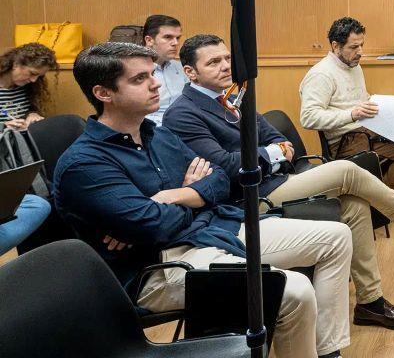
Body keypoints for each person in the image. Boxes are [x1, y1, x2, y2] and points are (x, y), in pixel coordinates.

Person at [52, 42, 353, 358]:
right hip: (159, 266)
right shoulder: (84, 163)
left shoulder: (158, 135)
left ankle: (327, 351)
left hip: (212, 228)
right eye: (139, 79)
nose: (155, 84)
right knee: (294, 289)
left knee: (336, 237)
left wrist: (175, 196)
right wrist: (192, 198)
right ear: (103, 93)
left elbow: (221, 179)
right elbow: (154, 227)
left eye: (152, 74)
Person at [164, 34, 394, 331]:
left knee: (355, 206)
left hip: (276, 179)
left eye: (227, 58)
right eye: (214, 62)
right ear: (190, 72)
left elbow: (277, 139)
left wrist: (272, 152)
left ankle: (370, 303)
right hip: (245, 199)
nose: (225, 66)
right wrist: (273, 153)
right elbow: (229, 167)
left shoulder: (232, 98)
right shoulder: (182, 113)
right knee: (346, 170)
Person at [299, 17, 394, 194]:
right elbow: (308, 118)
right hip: (345, 140)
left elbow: (361, 100)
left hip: (366, 128)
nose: (360, 52)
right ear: (335, 46)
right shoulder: (321, 75)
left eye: (362, 45)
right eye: (354, 47)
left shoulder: (353, 66)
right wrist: (352, 114)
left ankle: (377, 189)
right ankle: (384, 200)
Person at [0, 43, 58, 130]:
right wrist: (3, 126)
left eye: (39, 76)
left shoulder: (29, 86)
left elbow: (29, 109)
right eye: (32, 73)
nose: (34, 80)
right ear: (16, 64)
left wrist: (32, 114)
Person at [143, 14, 186, 126]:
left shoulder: (182, 68)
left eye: (178, 38)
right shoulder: (136, 71)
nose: (175, 43)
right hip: (153, 128)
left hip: (185, 123)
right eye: (168, 37)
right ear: (149, 40)